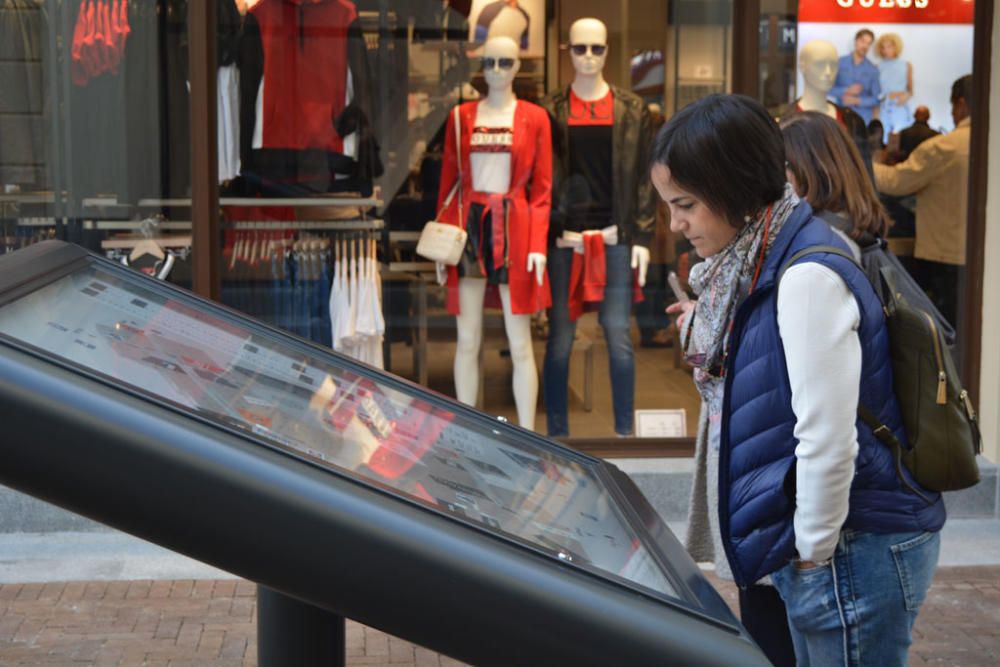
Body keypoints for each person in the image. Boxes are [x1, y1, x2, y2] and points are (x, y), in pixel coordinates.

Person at [656, 94, 945, 666]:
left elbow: (827, 436)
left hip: (849, 550)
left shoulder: (806, 272)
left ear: (731, 186)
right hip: (836, 546)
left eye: (685, 204)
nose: (675, 223)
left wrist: (811, 553)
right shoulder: (762, 257)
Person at [540, 18, 655, 437]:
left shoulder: (632, 110)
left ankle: (626, 434)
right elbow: (544, 180)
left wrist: (641, 235)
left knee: (619, 336)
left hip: (615, 235)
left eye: (597, 49)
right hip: (565, 238)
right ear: (567, 51)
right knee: (560, 338)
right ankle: (558, 435)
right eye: (580, 49)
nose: (588, 57)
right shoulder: (550, 110)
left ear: (608, 51)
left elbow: (645, 176)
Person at [435, 36, 552, 429]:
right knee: (467, 338)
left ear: (518, 66)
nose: (497, 70)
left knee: (520, 341)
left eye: (505, 62)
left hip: (514, 230)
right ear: (481, 66)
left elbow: (543, 191)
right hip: (470, 227)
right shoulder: (460, 117)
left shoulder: (535, 118)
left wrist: (538, 244)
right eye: (489, 62)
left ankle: (527, 432)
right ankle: (467, 426)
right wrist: (443, 242)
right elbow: (449, 184)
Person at [873, 74, 972, 325]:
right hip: (976, 252)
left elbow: (896, 182)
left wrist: (864, 163)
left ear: (960, 104)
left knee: (947, 327)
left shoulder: (945, 147)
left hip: (945, 254)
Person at [830, 28, 881, 125]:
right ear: (856, 41)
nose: (865, 46)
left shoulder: (873, 69)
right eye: (863, 41)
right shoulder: (839, 63)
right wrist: (846, 90)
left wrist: (857, 101)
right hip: (841, 117)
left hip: (863, 120)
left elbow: (876, 99)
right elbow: (828, 89)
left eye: (869, 43)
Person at [875, 33, 913, 142]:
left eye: (889, 46)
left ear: (896, 47)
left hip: (899, 105)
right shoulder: (878, 66)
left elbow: (911, 90)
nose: (886, 50)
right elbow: (876, 91)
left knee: (900, 137)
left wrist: (906, 96)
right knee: (884, 138)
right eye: (883, 47)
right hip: (884, 106)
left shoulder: (906, 65)